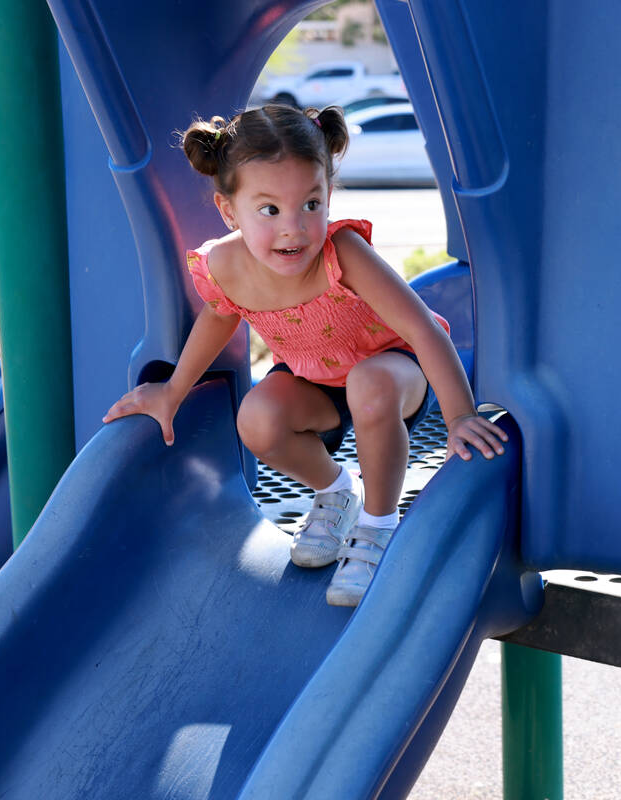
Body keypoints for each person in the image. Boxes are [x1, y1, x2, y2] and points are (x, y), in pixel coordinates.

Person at [103, 104, 507, 607]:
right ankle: (338, 491)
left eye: (311, 204)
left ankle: (379, 524)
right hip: (316, 381)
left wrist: (460, 417)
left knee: (370, 383)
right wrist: (172, 390)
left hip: (395, 371)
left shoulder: (345, 253)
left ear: (328, 194)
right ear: (230, 211)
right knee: (257, 419)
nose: (294, 228)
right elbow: (219, 317)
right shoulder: (226, 263)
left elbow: (424, 330)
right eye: (269, 210)